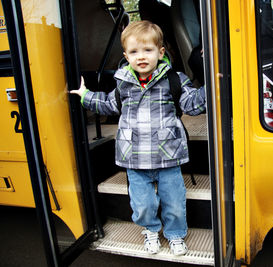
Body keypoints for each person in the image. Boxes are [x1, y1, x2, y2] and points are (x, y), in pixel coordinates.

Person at [70, 20, 206, 256]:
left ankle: (175, 235)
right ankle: (150, 230)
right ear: (126, 55)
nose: (141, 57)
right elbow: (109, 104)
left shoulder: (175, 80)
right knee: (142, 205)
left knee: (174, 203)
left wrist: (212, 86)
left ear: (160, 52)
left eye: (148, 50)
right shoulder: (123, 84)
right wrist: (85, 95)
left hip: (168, 156)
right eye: (134, 52)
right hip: (134, 158)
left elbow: (192, 105)